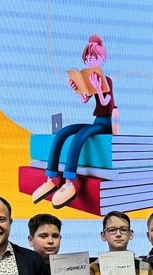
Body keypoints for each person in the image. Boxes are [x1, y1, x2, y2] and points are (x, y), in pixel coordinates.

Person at [30, 34, 118, 209]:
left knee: (80, 136)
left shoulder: (106, 80)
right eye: (87, 58)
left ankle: (69, 182)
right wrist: (78, 89)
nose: (89, 61)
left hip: (106, 123)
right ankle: (51, 178)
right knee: (65, 132)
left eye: (93, 57)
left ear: (102, 59)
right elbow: (85, 100)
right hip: (97, 121)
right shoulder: (91, 78)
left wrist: (98, 88)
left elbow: (106, 103)